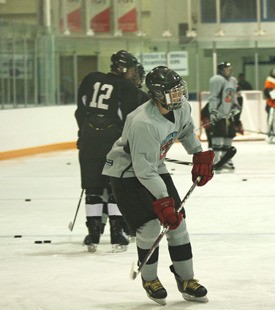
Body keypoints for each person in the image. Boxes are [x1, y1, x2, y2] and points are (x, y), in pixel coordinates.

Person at [102, 66, 213, 305]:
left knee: (178, 225)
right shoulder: (143, 122)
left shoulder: (182, 107)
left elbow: (185, 131)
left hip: (154, 167)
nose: (179, 96)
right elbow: (143, 171)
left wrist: (198, 154)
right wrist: (164, 201)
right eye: (172, 93)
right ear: (157, 94)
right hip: (127, 175)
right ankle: (150, 279)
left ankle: (186, 279)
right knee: (151, 227)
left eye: (179, 90)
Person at [75, 50, 144, 253]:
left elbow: (81, 110)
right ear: (123, 69)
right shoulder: (127, 87)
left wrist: (83, 133)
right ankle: (117, 235)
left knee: (93, 188)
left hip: (88, 139)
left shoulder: (90, 78)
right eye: (132, 69)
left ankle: (92, 236)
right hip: (112, 141)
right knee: (114, 187)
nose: (133, 73)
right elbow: (132, 118)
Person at [206, 61, 240, 171]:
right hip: (219, 113)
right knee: (218, 137)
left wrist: (236, 107)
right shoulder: (217, 80)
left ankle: (225, 159)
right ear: (221, 70)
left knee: (229, 137)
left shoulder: (233, 80)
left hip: (229, 115)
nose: (229, 71)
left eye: (230, 69)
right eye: (226, 69)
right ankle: (215, 160)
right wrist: (213, 111)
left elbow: (233, 97)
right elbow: (213, 97)